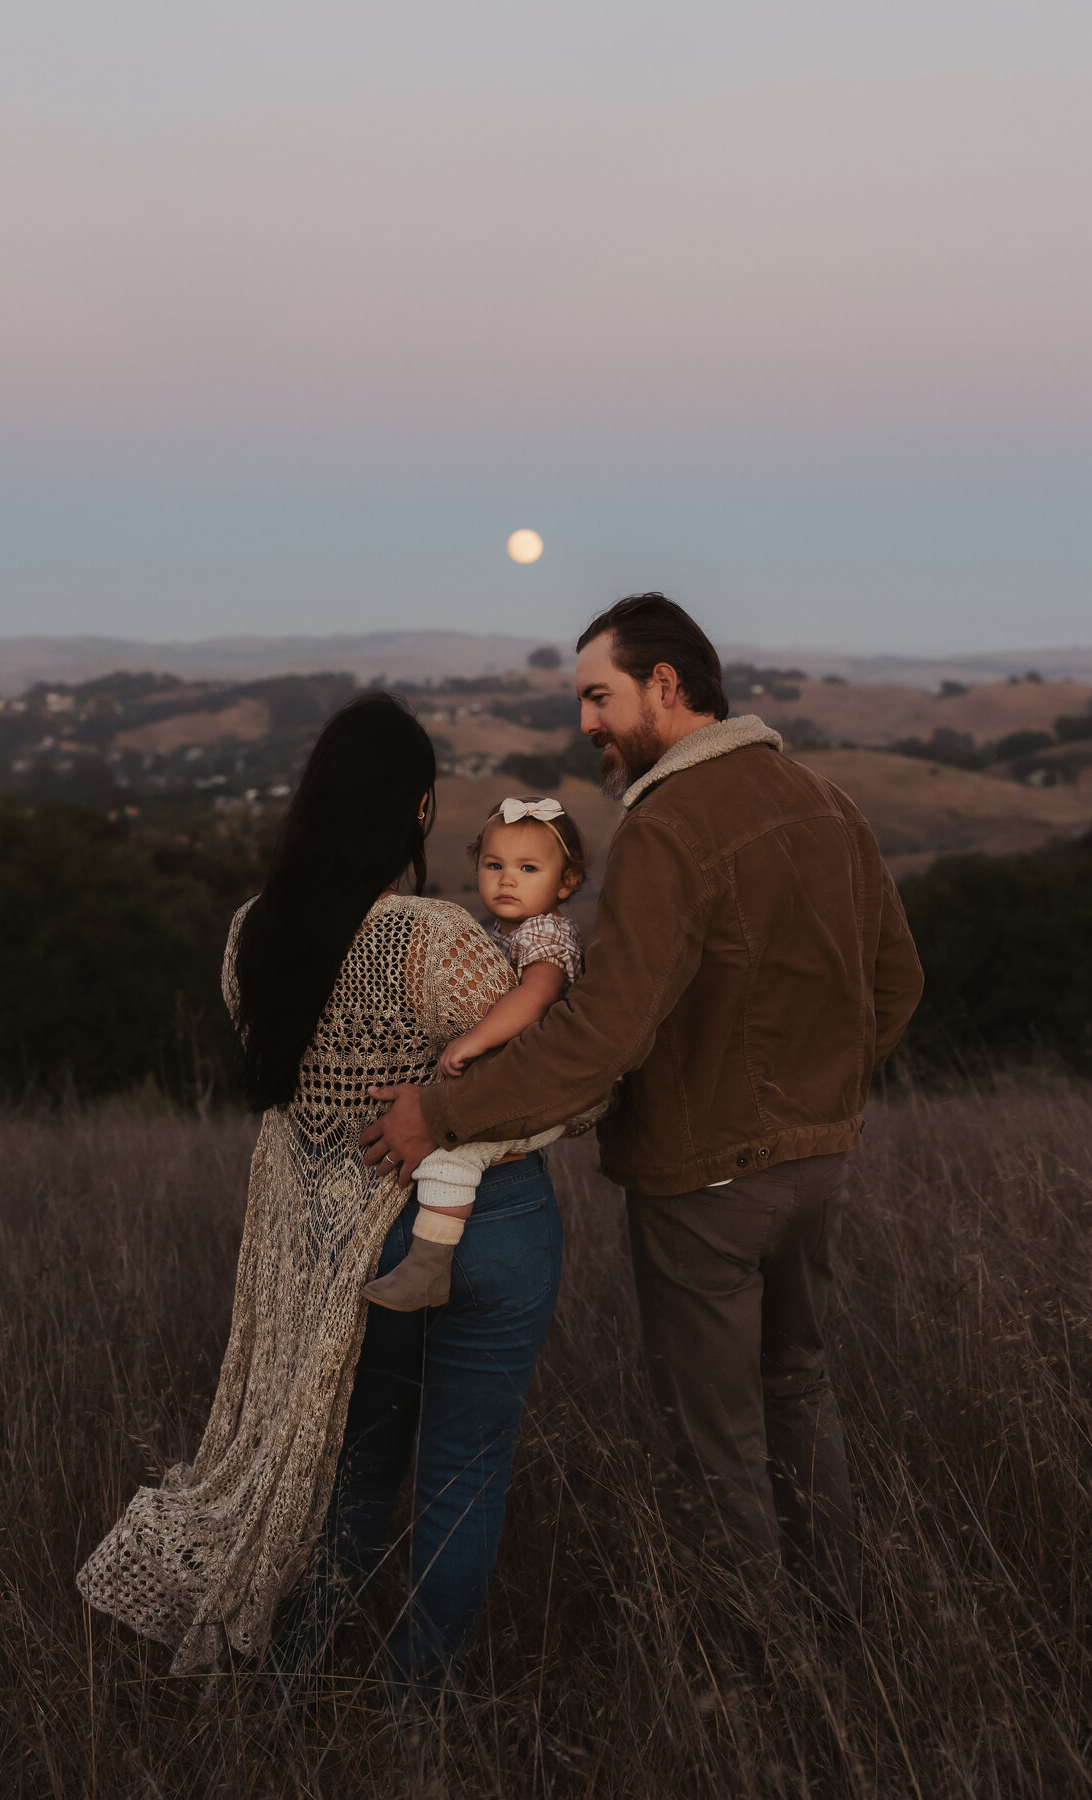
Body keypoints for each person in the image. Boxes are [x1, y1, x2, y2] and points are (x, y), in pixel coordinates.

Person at [361, 594, 924, 1613]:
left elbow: (603, 1034)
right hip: (818, 1164)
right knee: (797, 1388)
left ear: (668, 685)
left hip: (705, 1183)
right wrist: (816, 1101)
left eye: (598, 697)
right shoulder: (826, 800)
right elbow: (898, 984)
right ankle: (843, 1633)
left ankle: (761, 1674)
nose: (586, 724)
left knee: (719, 1442)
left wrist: (440, 1117)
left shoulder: (668, 827)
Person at [76, 694, 571, 1692]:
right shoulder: (438, 936)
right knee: (462, 1477)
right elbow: (560, 1089)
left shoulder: (250, 936)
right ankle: (412, 1707)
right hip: (493, 1225)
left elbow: (296, 1098)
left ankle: (298, 1677)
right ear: (421, 811)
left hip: (343, 1250)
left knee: (352, 1473)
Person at [362, 793, 588, 1312]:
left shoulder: (546, 933)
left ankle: (428, 1267)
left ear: (566, 883)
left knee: (453, 1152)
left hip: (541, 1086)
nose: (507, 879)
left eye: (528, 868)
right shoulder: (502, 933)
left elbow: (536, 998)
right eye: (494, 865)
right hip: (514, 1081)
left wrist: (476, 1037)